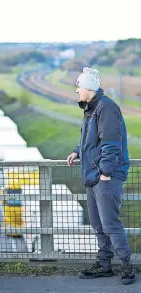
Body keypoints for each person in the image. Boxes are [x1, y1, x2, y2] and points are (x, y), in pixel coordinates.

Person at [67, 67, 135, 285]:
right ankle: (104, 265)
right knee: (97, 224)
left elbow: (112, 144)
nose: (77, 90)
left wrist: (106, 173)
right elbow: (90, 138)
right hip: (92, 174)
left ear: (88, 87)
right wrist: (78, 150)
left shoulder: (106, 108)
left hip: (106, 176)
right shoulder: (92, 109)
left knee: (110, 224)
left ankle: (127, 268)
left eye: (78, 86)